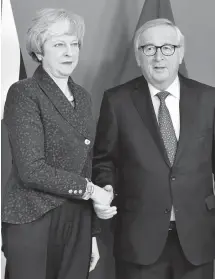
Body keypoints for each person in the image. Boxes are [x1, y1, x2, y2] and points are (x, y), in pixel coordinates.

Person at [92, 18, 215, 279]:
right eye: (149, 49)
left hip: (197, 239)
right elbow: (105, 161)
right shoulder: (117, 101)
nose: (158, 57)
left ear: (180, 53)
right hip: (139, 241)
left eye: (167, 48)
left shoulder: (209, 99)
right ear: (139, 57)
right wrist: (106, 187)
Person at [2, 8, 116, 279]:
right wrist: (92, 191)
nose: (70, 51)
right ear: (39, 52)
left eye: (74, 43)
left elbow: (85, 163)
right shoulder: (24, 93)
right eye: (59, 44)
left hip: (78, 220)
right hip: (33, 219)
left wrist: (92, 233)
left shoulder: (83, 96)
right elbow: (32, 170)